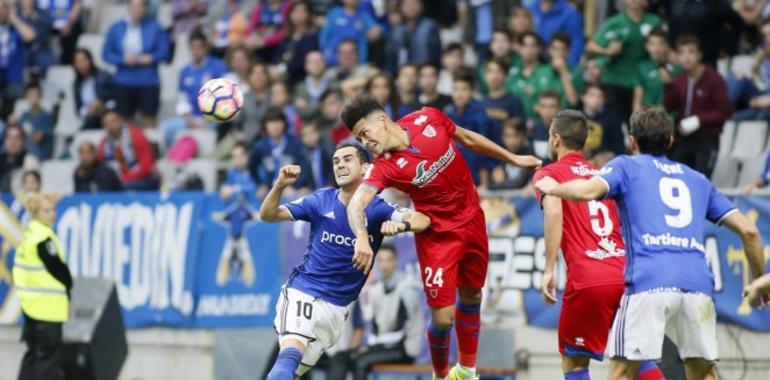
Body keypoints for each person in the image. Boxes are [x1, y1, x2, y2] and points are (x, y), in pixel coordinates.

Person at [534, 107, 766, 380]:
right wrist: (760, 282)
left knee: (618, 369)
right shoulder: (697, 179)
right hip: (696, 284)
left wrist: (553, 188)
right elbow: (750, 232)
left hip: (645, 280)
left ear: (632, 142)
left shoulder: (623, 168)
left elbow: (585, 192)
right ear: (670, 141)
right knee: (702, 373)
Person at [341, 93, 540, 380]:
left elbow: (468, 138)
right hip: (437, 237)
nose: (365, 143)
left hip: (472, 219)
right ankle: (440, 374)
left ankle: (468, 370)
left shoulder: (428, 118)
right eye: (359, 139)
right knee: (443, 320)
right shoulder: (383, 167)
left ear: (382, 121)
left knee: (472, 294)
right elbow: (358, 203)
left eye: (365, 133)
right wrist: (361, 235)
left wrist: (513, 158)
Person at [258, 143, 431, 379]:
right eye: (336, 161)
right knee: (289, 354)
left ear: (365, 168)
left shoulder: (378, 208)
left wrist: (402, 225)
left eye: (348, 159)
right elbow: (268, 215)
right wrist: (280, 185)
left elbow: (422, 220)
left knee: (294, 371)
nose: (340, 164)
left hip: (337, 310)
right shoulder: (320, 201)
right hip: (304, 291)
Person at [533, 110, 664, 380]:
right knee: (637, 359)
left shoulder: (549, 174)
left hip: (590, 279)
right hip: (625, 275)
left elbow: (554, 212)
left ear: (556, 139)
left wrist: (548, 269)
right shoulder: (603, 175)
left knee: (575, 365)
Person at [14, 192, 72, 380]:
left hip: (31, 307)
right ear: (36, 214)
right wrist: (69, 286)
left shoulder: (28, 236)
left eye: (53, 209)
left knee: (33, 356)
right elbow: (60, 271)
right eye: (46, 210)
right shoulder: (43, 240)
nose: (52, 214)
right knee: (48, 359)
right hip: (47, 309)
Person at [351, 245, 423, 380]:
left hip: (404, 349)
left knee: (360, 362)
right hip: (386, 346)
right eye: (381, 260)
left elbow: (399, 333)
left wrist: (372, 346)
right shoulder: (376, 289)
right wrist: (371, 346)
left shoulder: (408, 290)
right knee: (350, 357)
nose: (384, 265)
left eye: (389, 260)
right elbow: (376, 327)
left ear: (396, 261)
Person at [586, 0, 662, 128]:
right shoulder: (614, 22)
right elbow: (590, 46)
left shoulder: (654, 22)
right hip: (616, 81)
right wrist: (607, 51)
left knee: (642, 126)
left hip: (644, 83)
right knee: (615, 125)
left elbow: (665, 47)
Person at [664, 35, 731, 178]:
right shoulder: (679, 79)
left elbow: (725, 111)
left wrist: (699, 119)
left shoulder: (714, 79)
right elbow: (668, 107)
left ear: (700, 54)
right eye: (682, 53)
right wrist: (668, 85)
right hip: (684, 138)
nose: (686, 57)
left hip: (707, 138)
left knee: (701, 180)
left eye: (691, 52)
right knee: (677, 178)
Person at [102, 0, 170, 128]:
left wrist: (150, 58)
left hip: (148, 80)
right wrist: (122, 59)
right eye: (133, 6)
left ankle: (150, 147)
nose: (137, 9)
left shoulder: (155, 27)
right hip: (123, 80)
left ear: (146, 8)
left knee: (149, 119)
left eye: (140, 6)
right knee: (124, 121)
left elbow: (164, 52)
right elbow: (106, 54)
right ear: (128, 7)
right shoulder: (117, 28)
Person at [160, 30, 227, 147]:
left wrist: (208, 120)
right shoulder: (185, 72)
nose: (196, 51)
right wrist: (188, 118)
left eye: (199, 47)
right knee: (167, 127)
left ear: (206, 48)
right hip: (191, 118)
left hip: (213, 119)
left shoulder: (218, 67)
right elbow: (182, 99)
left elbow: (225, 98)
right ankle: (173, 158)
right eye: (193, 48)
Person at [216, 142, 259, 286]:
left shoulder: (256, 171)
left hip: (248, 225)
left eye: (240, 156)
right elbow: (224, 194)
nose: (237, 160)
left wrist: (234, 189)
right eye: (234, 157)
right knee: (226, 257)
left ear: (247, 156)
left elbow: (257, 189)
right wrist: (225, 192)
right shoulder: (232, 174)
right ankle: (221, 285)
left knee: (246, 257)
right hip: (234, 226)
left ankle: (251, 284)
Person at [248, 107, 309, 197]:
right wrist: (260, 184)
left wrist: (296, 186)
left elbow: (304, 166)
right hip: (269, 191)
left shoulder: (295, 144)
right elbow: (251, 167)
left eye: (278, 121)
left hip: (291, 190)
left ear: (284, 123)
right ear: (265, 125)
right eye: (271, 122)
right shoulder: (260, 146)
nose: (275, 126)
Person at [97, 109, 159, 191]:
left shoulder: (136, 136)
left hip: (143, 178)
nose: (111, 125)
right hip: (118, 179)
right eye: (107, 123)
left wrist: (124, 178)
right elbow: (102, 164)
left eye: (113, 121)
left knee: (124, 187)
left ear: (121, 120)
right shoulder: (104, 143)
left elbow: (146, 166)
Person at [384, 0, 441, 74]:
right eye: (407, 4)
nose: (411, 7)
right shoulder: (396, 28)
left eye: (414, 3)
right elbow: (390, 56)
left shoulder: (430, 26)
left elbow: (436, 53)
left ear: (422, 6)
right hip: (399, 74)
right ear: (401, 7)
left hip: (424, 74)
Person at [0, 0, 35, 121]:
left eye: (2, 8)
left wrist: (14, 19)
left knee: (11, 112)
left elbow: (30, 36)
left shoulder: (14, 29)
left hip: (13, 77)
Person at [319, 0, 381, 66]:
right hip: (333, 60)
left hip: (356, 63)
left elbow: (376, 29)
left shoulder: (363, 16)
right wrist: (325, 51)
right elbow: (324, 35)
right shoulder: (335, 13)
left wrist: (375, 33)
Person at [633, 29, 677, 113]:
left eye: (660, 43)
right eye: (652, 44)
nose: (657, 48)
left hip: (671, 117)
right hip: (649, 117)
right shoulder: (642, 67)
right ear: (646, 46)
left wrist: (669, 82)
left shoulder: (677, 68)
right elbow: (637, 99)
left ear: (667, 46)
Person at [528, 0, 583, 66]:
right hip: (532, 63)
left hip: (556, 65)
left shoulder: (570, 14)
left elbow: (576, 42)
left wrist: (569, 65)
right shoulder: (531, 8)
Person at [72, 48, 114, 130]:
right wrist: (89, 110)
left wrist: (102, 104)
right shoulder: (76, 85)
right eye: (77, 61)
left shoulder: (104, 76)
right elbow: (79, 111)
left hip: (107, 112)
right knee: (90, 121)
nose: (81, 64)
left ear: (90, 60)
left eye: (83, 60)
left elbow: (115, 100)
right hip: (90, 117)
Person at [489, 119, 534, 190]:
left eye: (516, 136)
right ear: (502, 137)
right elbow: (490, 185)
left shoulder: (530, 156)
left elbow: (520, 184)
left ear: (523, 136)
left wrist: (500, 183)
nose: (512, 141)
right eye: (508, 136)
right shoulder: (501, 156)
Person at [16, 83, 54, 160]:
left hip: (40, 155)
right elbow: (19, 135)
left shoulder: (46, 116)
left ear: (41, 97)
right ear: (26, 97)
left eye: (35, 95)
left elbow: (38, 138)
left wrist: (26, 134)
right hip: (23, 156)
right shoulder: (24, 116)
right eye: (30, 95)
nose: (33, 98)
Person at [37, 0, 82, 65]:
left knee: (73, 31)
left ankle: (67, 63)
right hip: (48, 23)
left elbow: (77, 4)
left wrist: (69, 23)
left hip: (69, 24)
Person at [0, 125, 40, 193]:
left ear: (23, 141)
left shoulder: (30, 160)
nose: (12, 142)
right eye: (9, 138)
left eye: (16, 138)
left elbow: (33, 189)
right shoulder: (1, 159)